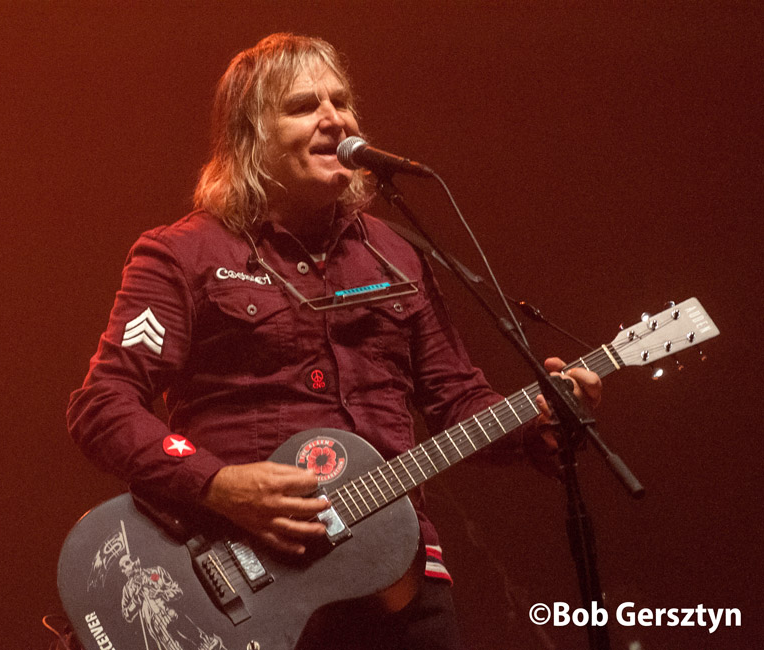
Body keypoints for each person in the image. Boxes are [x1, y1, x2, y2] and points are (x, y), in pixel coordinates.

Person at [67, 33, 601, 649]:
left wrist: (539, 420)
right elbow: (102, 406)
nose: (335, 119)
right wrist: (216, 483)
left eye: (341, 101)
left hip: (399, 581)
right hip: (249, 586)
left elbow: (459, 400)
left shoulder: (397, 253)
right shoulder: (185, 252)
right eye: (302, 106)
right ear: (250, 139)